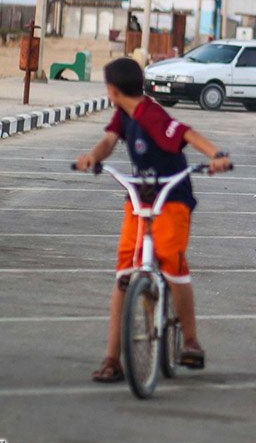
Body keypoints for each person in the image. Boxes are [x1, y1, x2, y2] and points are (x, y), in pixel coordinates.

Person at [76, 57, 232, 383]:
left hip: (172, 197)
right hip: (140, 197)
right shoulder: (124, 113)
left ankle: (190, 340)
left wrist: (216, 156)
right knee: (124, 272)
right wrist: (93, 156)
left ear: (112, 90)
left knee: (172, 263)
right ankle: (112, 358)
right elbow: (108, 141)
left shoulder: (151, 114)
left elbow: (187, 133)